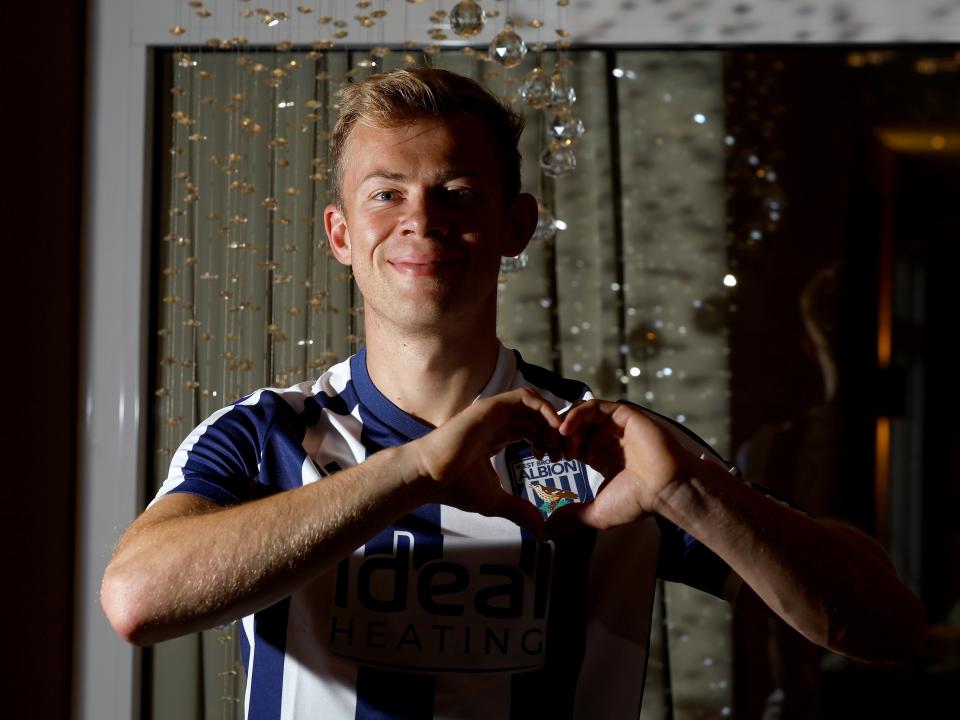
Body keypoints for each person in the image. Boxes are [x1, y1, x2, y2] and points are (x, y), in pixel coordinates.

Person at [101, 68, 925, 719]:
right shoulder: (263, 436)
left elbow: (887, 628)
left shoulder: (607, 447)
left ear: (516, 226)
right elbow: (137, 601)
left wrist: (688, 490)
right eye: (386, 192)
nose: (419, 219)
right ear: (342, 234)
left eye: (456, 193)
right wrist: (418, 469)